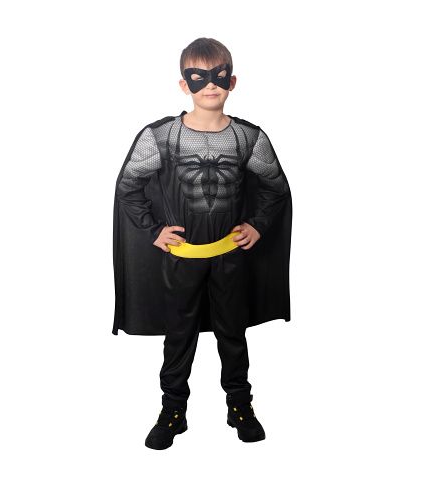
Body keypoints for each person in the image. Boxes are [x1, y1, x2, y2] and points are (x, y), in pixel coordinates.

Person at [112, 37, 292, 450]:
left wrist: (258, 226)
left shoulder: (248, 137)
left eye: (219, 76)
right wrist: (153, 230)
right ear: (184, 85)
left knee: (233, 333)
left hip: (230, 257)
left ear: (232, 81)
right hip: (182, 258)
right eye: (198, 77)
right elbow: (128, 188)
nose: (210, 84)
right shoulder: (162, 137)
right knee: (179, 335)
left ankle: (239, 406)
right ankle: (173, 411)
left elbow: (275, 188)